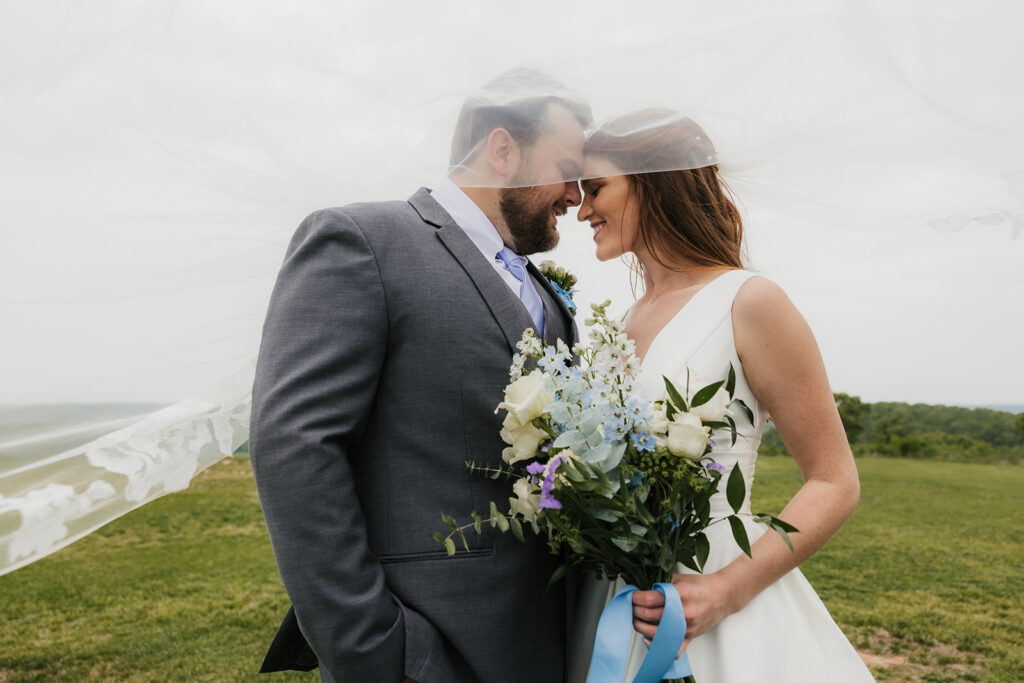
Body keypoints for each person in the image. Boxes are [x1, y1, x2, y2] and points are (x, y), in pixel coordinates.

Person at [249, 70, 589, 682]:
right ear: (503, 150)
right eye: (566, 167)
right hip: (424, 653)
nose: (576, 195)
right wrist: (375, 650)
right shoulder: (363, 242)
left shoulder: (547, 295)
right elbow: (294, 447)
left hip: (548, 648)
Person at [567, 110, 874, 682]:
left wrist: (727, 591)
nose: (583, 210)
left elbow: (835, 481)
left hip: (715, 591)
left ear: (652, 181)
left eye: (596, 189)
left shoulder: (751, 301)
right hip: (616, 600)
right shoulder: (622, 320)